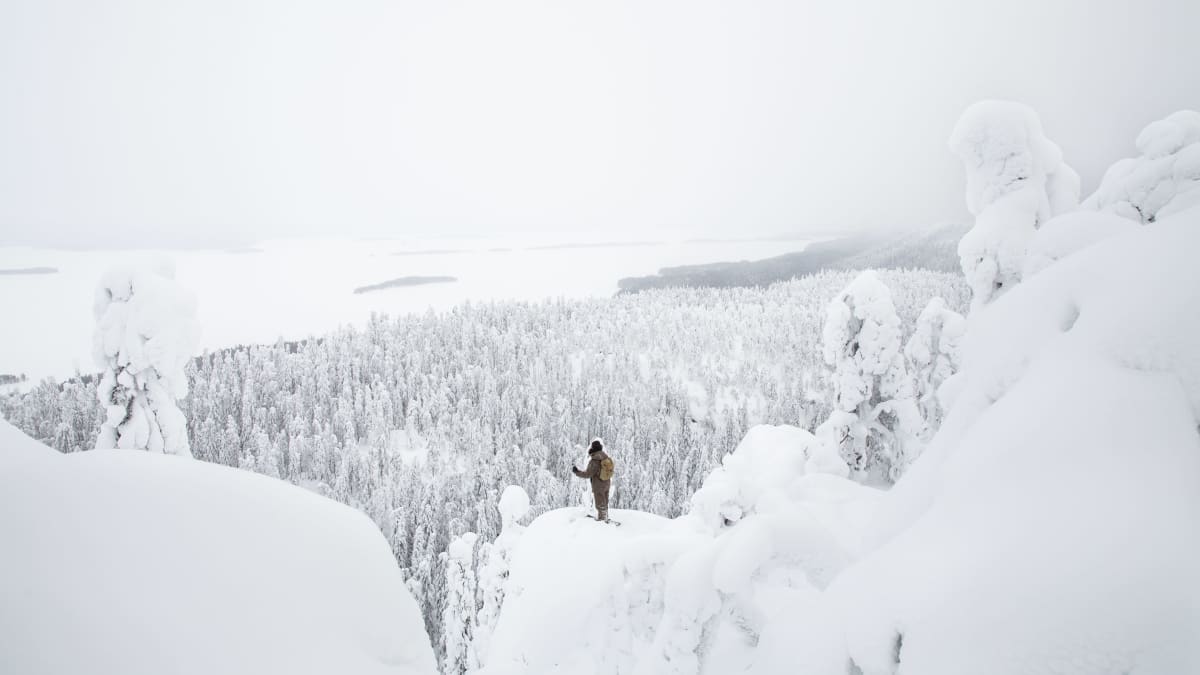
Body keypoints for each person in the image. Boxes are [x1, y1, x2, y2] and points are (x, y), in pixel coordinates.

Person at [572, 438, 612, 522]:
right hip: (607, 483)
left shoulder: (595, 460)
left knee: (600, 504)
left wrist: (577, 472)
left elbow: (588, 474)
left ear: (593, 449)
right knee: (605, 502)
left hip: (599, 485)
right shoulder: (605, 457)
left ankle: (602, 520)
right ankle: (605, 517)